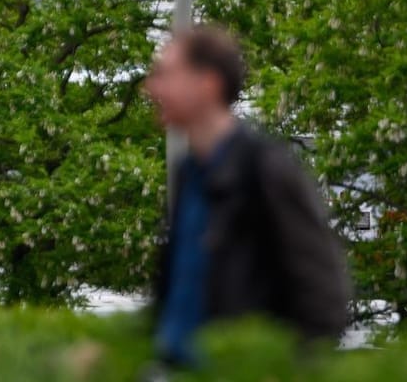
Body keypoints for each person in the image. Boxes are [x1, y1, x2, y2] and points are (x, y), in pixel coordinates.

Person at [144, 27, 350, 366]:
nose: (153, 87)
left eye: (166, 74)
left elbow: (324, 295)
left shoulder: (266, 168)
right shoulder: (187, 173)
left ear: (208, 84)